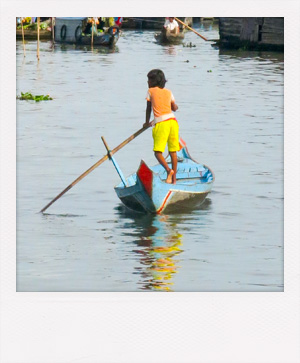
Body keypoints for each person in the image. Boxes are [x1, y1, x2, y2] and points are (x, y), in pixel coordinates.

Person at [143, 69, 179, 184]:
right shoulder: (169, 92)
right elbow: (174, 108)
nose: (148, 82)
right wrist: (175, 106)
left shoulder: (150, 91)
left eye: (149, 79)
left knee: (158, 153)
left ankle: (169, 171)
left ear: (154, 81)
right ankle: (174, 180)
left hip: (162, 124)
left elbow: (149, 108)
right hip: (173, 122)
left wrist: (146, 122)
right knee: (173, 152)